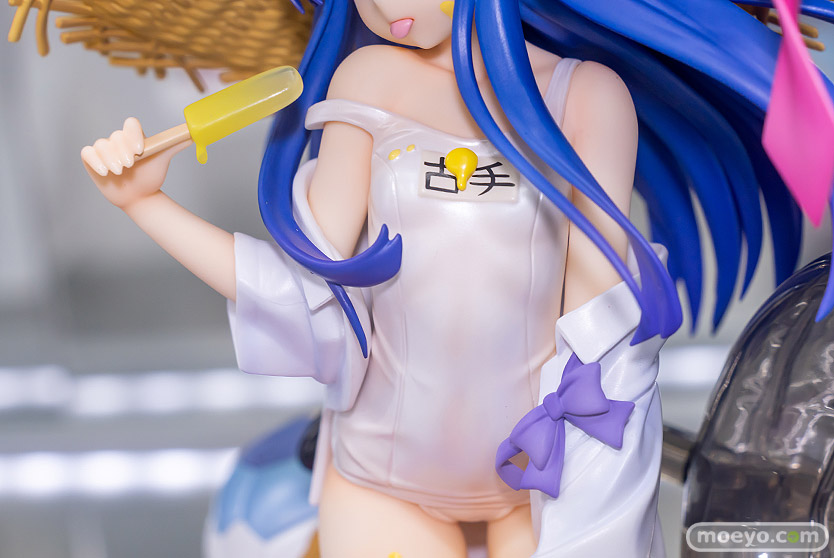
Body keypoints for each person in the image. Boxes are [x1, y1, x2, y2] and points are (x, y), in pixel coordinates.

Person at [79, 0, 834, 555]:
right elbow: (303, 289)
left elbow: (605, 330)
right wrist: (146, 206)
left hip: (535, 486)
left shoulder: (585, 97)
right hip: (381, 480)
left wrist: (596, 482)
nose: (385, 8)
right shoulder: (366, 78)